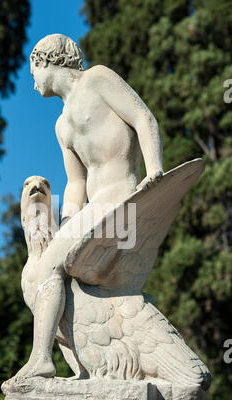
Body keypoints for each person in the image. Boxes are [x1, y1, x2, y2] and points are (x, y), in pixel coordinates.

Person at [15, 33, 164, 380]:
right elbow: (76, 183)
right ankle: (87, 366)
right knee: (53, 271)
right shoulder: (61, 125)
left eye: (32, 70)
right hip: (94, 210)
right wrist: (67, 221)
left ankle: (41, 359)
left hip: (121, 202)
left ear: (44, 60)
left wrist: (155, 172)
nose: (32, 81)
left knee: (46, 268)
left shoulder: (97, 78)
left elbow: (143, 117)